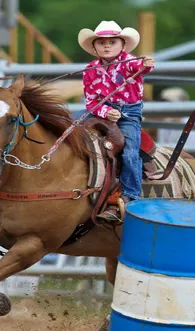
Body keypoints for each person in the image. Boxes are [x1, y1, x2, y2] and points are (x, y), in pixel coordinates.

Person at [78, 20, 155, 223]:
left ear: (122, 45)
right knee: (78, 140)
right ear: (94, 47)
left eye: (112, 42)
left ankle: (131, 195)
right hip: (101, 114)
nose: (107, 46)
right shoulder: (89, 70)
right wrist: (105, 111)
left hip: (129, 113)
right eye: (102, 42)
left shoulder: (130, 62)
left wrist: (146, 63)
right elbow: (91, 102)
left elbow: (142, 67)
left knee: (130, 152)